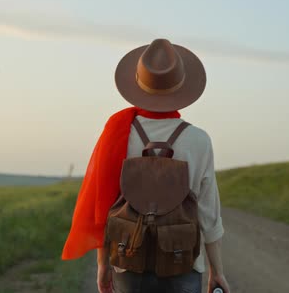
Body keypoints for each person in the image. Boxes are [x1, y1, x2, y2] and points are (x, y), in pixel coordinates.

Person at [62, 39, 230, 293]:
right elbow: (209, 213)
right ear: (182, 88)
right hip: (182, 263)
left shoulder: (118, 133)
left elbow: (103, 205)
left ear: (138, 85)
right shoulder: (199, 140)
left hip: (129, 261)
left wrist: (103, 264)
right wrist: (217, 272)